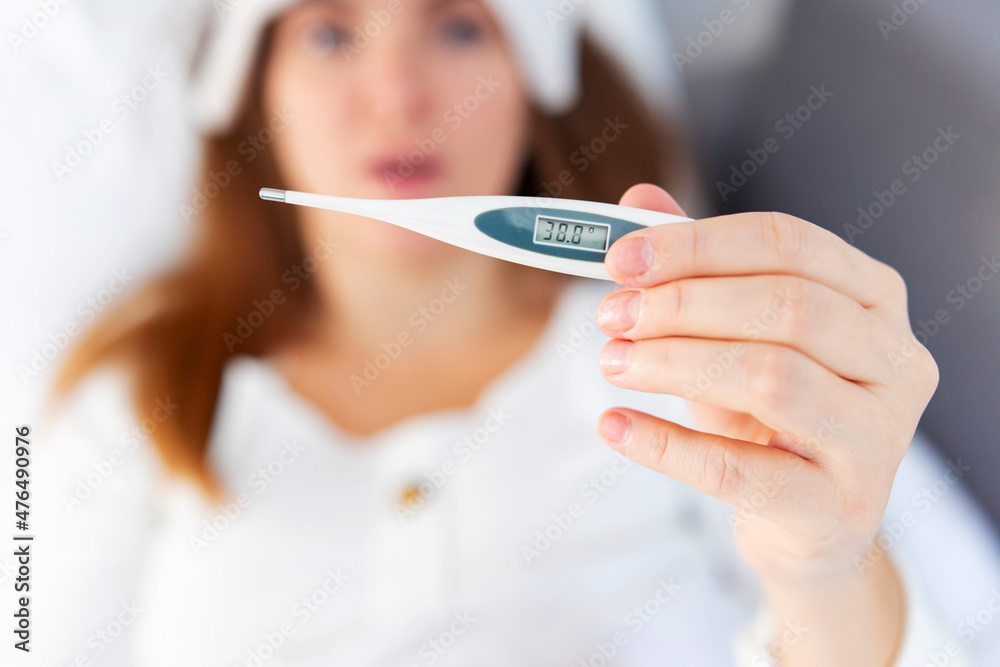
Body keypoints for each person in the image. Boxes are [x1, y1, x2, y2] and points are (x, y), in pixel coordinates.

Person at [31, 0, 994, 665]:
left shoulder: (707, 354)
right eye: (329, 31)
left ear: (535, 83)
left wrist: (825, 570)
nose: (397, 92)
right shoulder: (141, 400)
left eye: (457, 24)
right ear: (253, 94)